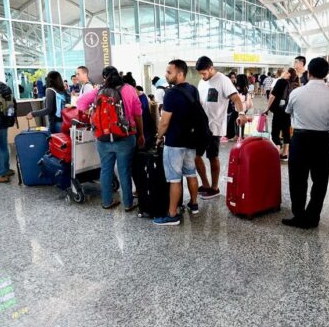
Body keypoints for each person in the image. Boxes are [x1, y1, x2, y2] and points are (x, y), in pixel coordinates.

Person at [77, 66, 144, 210]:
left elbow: (80, 103)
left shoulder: (99, 91)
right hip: (125, 137)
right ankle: (128, 204)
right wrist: (141, 133)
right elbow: (138, 114)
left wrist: (92, 112)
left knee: (106, 170)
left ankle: (107, 202)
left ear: (104, 77)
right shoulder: (129, 89)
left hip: (103, 137)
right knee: (124, 171)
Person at [282, 58, 329, 229]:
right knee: (320, 180)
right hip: (322, 140)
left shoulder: (297, 93)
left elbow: (288, 111)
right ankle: (313, 217)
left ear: (309, 72)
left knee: (297, 179)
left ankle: (298, 215)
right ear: (326, 74)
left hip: (300, 139)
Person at [153, 60, 201, 226]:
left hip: (174, 142)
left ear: (180, 74)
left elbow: (164, 122)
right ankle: (194, 205)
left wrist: (159, 136)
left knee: (174, 179)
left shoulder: (171, 94)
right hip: (191, 140)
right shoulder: (193, 90)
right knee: (191, 173)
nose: (166, 75)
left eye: (169, 72)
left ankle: (172, 214)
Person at [195, 56, 245, 199]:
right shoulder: (201, 81)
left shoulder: (223, 80)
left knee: (212, 157)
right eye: (200, 73)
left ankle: (215, 187)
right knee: (195, 156)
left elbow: (236, 98)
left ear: (211, 68)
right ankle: (205, 184)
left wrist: (241, 113)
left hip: (214, 127)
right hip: (201, 126)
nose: (202, 76)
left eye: (204, 73)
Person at [265, 68, 294, 160]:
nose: (283, 73)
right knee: (286, 131)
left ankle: (276, 150)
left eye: (285, 72)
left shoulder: (281, 81)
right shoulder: (293, 84)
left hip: (278, 110)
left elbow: (272, 95)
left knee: (275, 132)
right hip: (288, 110)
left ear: (288, 74)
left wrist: (267, 108)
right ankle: (285, 153)